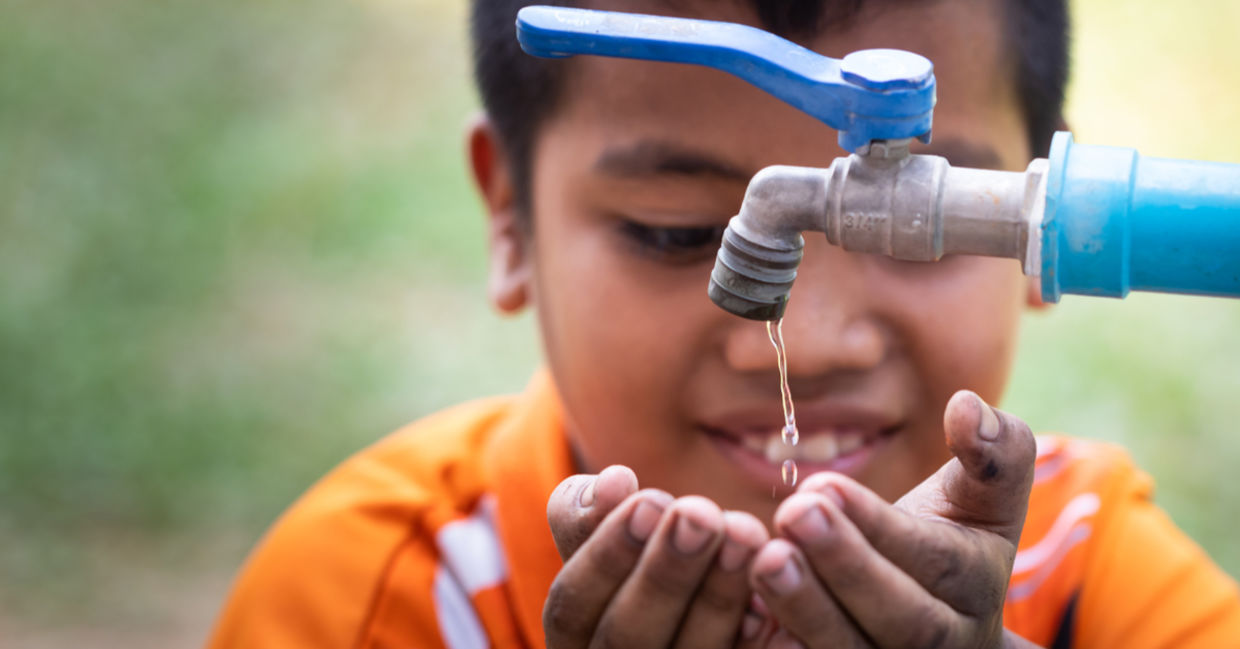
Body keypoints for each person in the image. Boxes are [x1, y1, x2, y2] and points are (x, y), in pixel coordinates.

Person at [207, 1, 1240, 647]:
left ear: (1044, 214)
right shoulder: (374, 602)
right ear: (510, 218)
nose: (813, 337)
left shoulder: (1090, 585)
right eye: (677, 229)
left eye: (925, 230)